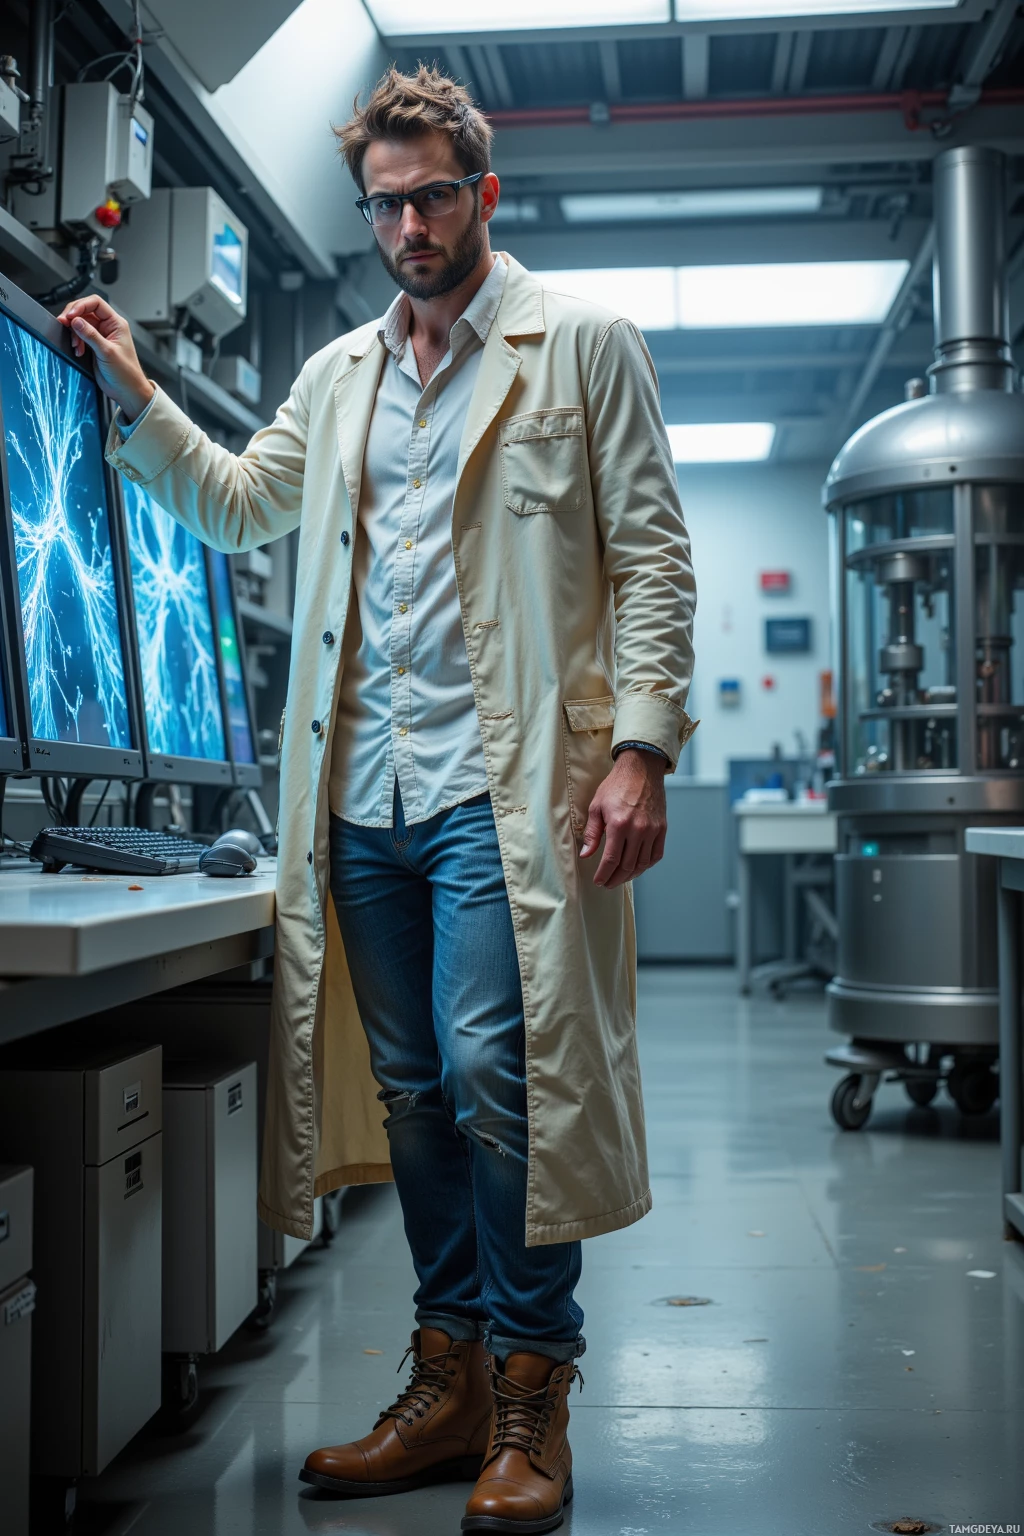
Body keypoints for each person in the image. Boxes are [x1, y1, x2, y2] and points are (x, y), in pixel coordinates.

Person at [60, 65, 696, 1535]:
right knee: (414, 1095)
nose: (410, 223)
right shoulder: (339, 375)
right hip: (361, 796)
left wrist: (643, 746)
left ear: (485, 191)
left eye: (432, 195)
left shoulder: (582, 343)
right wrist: (140, 393)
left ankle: (536, 1388)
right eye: (386, 203)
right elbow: (238, 503)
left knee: (494, 1074)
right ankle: (451, 1375)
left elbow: (654, 559)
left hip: (503, 789)